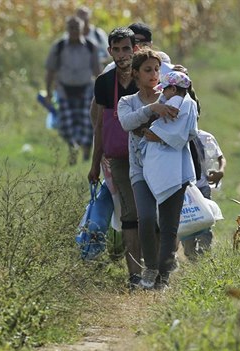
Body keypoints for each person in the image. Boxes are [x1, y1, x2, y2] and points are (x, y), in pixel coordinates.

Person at [118, 53, 197, 290]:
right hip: (140, 169)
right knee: (147, 217)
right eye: (148, 70)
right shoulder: (128, 102)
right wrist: (153, 109)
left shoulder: (176, 96)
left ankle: (163, 277)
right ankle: (150, 268)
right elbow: (126, 123)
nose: (154, 75)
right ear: (135, 74)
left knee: (168, 224)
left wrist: (184, 89)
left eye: (157, 70)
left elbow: (190, 123)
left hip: (172, 168)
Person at [88, 27, 143, 289]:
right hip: (119, 157)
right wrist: (95, 163)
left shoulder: (146, 76)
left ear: (136, 49)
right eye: (116, 49)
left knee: (150, 212)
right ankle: (135, 275)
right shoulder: (104, 83)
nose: (121, 55)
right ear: (109, 51)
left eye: (126, 49)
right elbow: (100, 125)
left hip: (149, 155)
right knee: (130, 213)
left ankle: (155, 268)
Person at [45, 16, 101, 165]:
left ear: (82, 28)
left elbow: (97, 70)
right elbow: (50, 70)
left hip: (86, 89)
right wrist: (49, 92)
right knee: (66, 124)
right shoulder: (59, 46)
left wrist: (103, 91)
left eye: (77, 27)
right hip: (64, 89)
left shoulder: (91, 46)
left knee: (87, 122)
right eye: (71, 27)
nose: (74, 31)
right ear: (67, 29)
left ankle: (86, 149)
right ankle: (72, 148)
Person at [182, 128, 226, 259]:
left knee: (206, 221)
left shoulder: (206, 137)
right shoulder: (177, 137)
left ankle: (205, 253)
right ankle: (190, 252)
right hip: (185, 188)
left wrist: (221, 171)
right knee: (188, 222)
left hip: (202, 186)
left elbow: (220, 157)